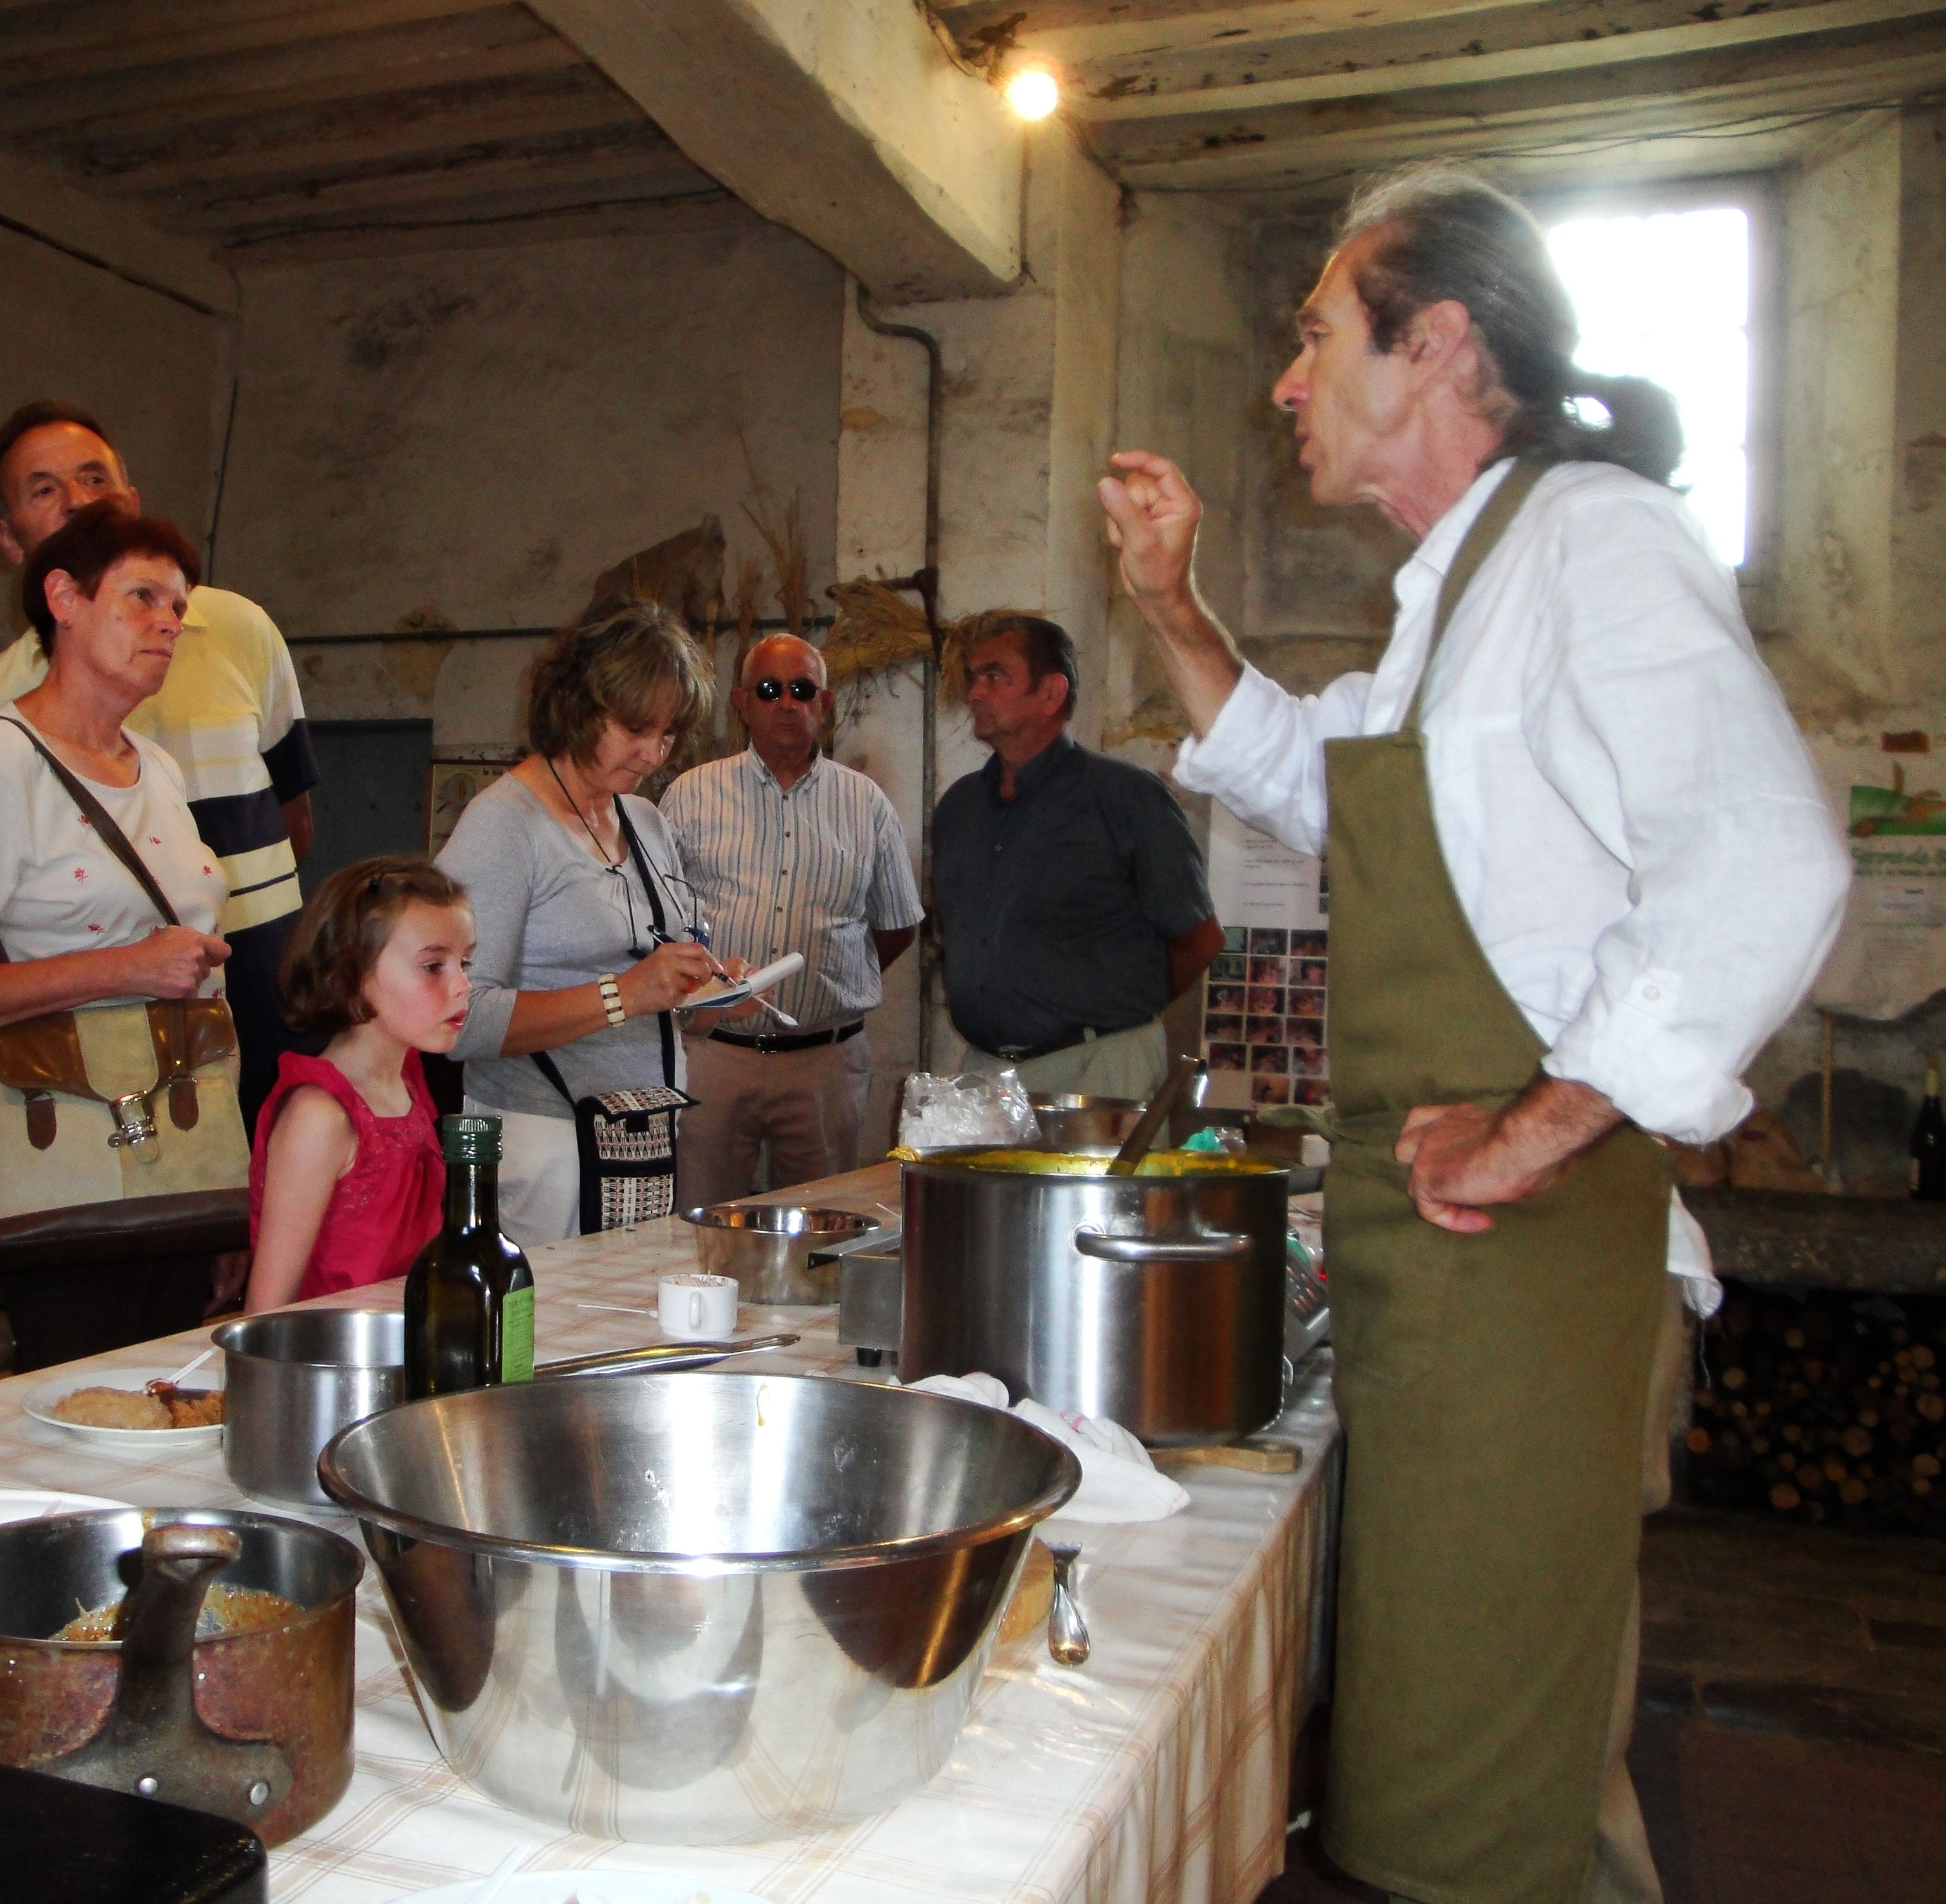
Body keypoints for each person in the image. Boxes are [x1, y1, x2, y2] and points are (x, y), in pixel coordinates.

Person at [1096, 164, 1848, 1904]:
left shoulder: (1593, 537)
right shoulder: (1456, 594)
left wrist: (1538, 1125)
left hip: (1531, 1260)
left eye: (1316, 337)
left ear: (1435, 342)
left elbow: (1766, 862)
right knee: (1464, 1765)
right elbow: (1313, 777)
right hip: (1443, 1262)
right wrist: (1171, 609)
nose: (1285, 381)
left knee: (1496, 1789)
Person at [0, 501, 232, 1370]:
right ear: (64, 599)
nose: (168, 623)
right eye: (142, 597)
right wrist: (123, 968)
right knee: (87, 1390)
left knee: (177, 1387)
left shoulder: (160, 768)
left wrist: (232, 1188)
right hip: (57, 1137)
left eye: (178, 607)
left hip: (180, 1129)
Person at [0, 401, 318, 1120]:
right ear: (9, 537)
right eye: (45, 489)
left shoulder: (239, 627)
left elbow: (294, 818)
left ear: (133, 500)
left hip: (268, 983)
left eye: (95, 478)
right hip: (104, 1031)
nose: (79, 501)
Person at [434, 598, 727, 1245]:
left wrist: (709, 992)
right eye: (635, 728)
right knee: (549, 1311)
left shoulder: (644, 820)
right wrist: (625, 995)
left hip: (643, 1134)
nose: (653, 754)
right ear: (576, 706)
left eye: (669, 734)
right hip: (543, 1141)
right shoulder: (503, 825)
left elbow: (656, 987)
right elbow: (457, 1018)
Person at [660, 633, 921, 1207]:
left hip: (823, 1065)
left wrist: (830, 981)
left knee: (821, 1228)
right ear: (742, 703)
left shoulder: (866, 804)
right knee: (699, 1225)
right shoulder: (690, 796)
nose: (786, 703)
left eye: (802, 690)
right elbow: (658, 921)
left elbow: (899, 924)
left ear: (824, 704)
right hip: (714, 1058)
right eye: (769, 689)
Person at [930, 613, 1222, 1099]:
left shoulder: (1126, 798)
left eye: (996, 677)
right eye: (974, 678)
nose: (975, 693)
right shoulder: (960, 807)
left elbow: (1200, 940)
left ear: (1052, 693)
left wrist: (1122, 1016)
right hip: (987, 1071)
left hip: (1098, 1065)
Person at [242, 857, 468, 1313]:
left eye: (466, 963)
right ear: (351, 974)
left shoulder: (407, 1082)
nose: (463, 985)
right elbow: (267, 1312)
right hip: (332, 1350)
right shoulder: (319, 1116)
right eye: (433, 966)